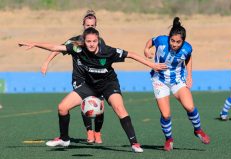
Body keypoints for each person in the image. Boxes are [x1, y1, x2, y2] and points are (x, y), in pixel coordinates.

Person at [19, 27, 167, 153]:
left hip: (109, 84)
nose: (91, 44)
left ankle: (134, 143)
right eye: (88, 41)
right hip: (89, 86)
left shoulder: (108, 51)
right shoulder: (78, 49)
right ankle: (64, 139)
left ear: (98, 40)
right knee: (62, 108)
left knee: (119, 108)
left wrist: (152, 65)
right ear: (84, 41)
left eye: (94, 41)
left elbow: (132, 55)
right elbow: (56, 47)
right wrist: (35, 43)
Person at [144, 17, 210, 151]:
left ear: (183, 41)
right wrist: (146, 49)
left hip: (177, 80)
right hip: (159, 80)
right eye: (172, 41)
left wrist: (189, 75)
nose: (174, 44)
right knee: (166, 115)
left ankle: (198, 130)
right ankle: (169, 139)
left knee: (190, 107)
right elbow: (150, 41)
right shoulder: (162, 40)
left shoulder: (187, 48)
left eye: (178, 42)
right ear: (168, 38)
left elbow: (188, 58)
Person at [41, 10, 105, 144]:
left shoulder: (99, 41)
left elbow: (104, 58)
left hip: (96, 79)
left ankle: (97, 132)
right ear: (83, 25)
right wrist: (47, 62)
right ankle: (89, 131)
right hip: (80, 78)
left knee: (100, 105)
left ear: (96, 25)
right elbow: (58, 49)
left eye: (92, 25)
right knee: (86, 103)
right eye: (88, 25)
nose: (90, 27)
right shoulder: (75, 41)